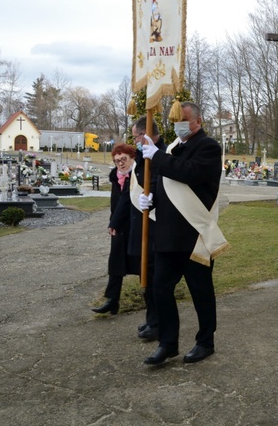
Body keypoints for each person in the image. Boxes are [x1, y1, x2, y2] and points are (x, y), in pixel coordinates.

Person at [138, 101, 228, 366]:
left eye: (183, 120)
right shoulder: (173, 148)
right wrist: (151, 198)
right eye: (174, 120)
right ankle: (168, 343)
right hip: (167, 233)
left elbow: (189, 173)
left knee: (200, 291)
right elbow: (163, 181)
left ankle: (205, 341)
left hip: (193, 234)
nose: (177, 125)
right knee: (161, 289)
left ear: (197, 122)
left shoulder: (209, 147)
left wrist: (157, 156)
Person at [128, 117, 166, 341]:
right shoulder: (143, 154)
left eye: (136, 136)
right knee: (146, 274)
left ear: (146, 134)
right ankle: (151, 317)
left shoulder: (162, 153)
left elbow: (160, 182)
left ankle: (158, 322)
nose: (135, 141)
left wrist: (152, 196)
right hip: (141, 222)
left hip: (155, 223)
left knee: (154, 276)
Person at [92, 143, 139, 315]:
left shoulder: (137, 175)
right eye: (117, 160)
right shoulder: (116, 177)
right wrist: (113, 222)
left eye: (124, 159)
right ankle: (112, 300)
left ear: (132, 158)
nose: (120, 163)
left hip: (136, 225)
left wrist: (114, 222)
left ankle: (151, 300)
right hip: (119, 226)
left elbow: (127, 201)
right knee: (116, 264)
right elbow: (115, 204)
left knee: (141, 263)